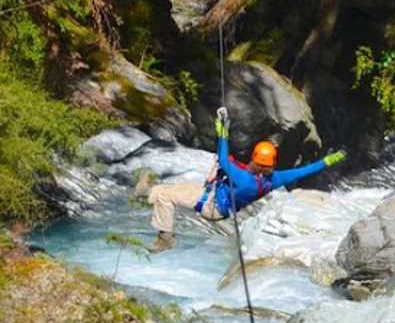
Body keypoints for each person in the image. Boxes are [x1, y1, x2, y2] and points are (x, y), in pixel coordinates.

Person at [139, 107, 346, 253]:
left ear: (255, 159)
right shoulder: (275, 179)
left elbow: (222, 158)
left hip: (211, 206)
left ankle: (165, 238)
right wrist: (327, 160)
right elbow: (303, 171)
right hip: (214, 197)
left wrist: (223, 132)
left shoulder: (244, 178)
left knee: (165, 196)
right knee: (168, 189)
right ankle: (147, 193)